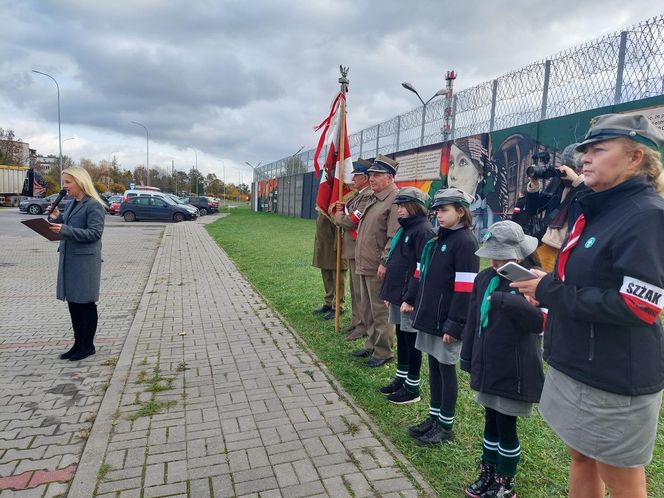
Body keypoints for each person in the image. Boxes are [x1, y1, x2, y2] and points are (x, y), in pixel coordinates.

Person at [512, 113, 664, 498]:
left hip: (614, 376)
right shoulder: (599, 206)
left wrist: (550, 291)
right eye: (585, 150)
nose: (585, 158)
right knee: (580, 457)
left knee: (621, 478)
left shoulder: (647, 217)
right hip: (577, 358)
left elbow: (640, 306)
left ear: (634, 159)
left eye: (599, 150)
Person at [460, 221, 544, 498]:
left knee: (507, 425)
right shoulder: (484, 278)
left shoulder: (533, 282)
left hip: (515, 368)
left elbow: (538, 323)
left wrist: (508, 299)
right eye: (492, 255)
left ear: (519, 254)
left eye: (501, 255)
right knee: (490, 420)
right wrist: (469, 356)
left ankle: (504, 480)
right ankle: (487, 472)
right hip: (488, 363)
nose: (495, 261)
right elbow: (473, 318)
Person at [408, 188, 479, 446]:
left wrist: (455, 323)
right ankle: (434, 417)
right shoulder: (440, 239)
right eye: (437, 210)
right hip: (431, 317)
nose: (438, 214)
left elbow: (465, 290)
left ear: (461, 212)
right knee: (434, 368)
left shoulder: (465, 242)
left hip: (446, 322)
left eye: (444, 210)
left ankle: (445, 425)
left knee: (446, 370)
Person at [377, 187, 435, 404]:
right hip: (398, 295)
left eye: (404, 206)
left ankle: (412, 386)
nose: (399, 210)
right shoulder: (406, 229)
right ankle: (401, 378)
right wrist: (390, 294)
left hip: (409, 299)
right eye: (398, 206)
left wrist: (410, 298)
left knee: (411, 340)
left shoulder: (423, 231)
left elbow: (421, 268)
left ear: (416, 207)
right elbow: (397, 263)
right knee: (402, 337)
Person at [47, 166, 107, 361]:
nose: (64, 187)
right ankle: (77, 343)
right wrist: (58, 218)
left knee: (86, 303)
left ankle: (88, 346)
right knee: (73, 302)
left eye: (67, 183)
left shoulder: (94, 205)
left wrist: (64, 229)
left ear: (80, 182)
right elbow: (68, 225)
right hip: (70, 260)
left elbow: (94, 233)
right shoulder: (73, 203)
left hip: (85, 262)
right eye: (64, 182)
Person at [352, 154, 400, 367]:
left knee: (379, 310)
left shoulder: (394, 200)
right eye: (370, 174)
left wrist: (385, 262)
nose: (371, 178)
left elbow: (393, 236)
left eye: (377, 175)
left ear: (389, 177)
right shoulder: (374, 197)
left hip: (377, 265)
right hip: (365, 261)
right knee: (367, 308)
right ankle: (371, 344)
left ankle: (383, 352)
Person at [524, 143, 589, 272]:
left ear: (583, 169)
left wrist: (578, 182)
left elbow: (589, 207)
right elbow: (532, 209)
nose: (566, 171)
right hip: (546, 244)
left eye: (572, 168)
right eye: (565, 166)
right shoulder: (559, 182)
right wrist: (534, 185)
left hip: (569, 248)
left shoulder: (589, 188)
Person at [334, 159, 373, 341]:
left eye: (356, 176)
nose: (353, 180)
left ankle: (362, 325)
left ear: (365, 178)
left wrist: (339, 216)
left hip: (359, 248)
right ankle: (357, 321)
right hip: (352, 248)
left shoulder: (367, 196)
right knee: (354, 289)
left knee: (360, 291)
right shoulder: (358, 196)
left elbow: (351, 221)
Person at [312, 208, 347, 320]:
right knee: (326, 273)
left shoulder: (338, 196)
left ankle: (338, 306)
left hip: (336, 240)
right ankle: (328, 302)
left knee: (338, 275)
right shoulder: (325, 200)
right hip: (324, 242)